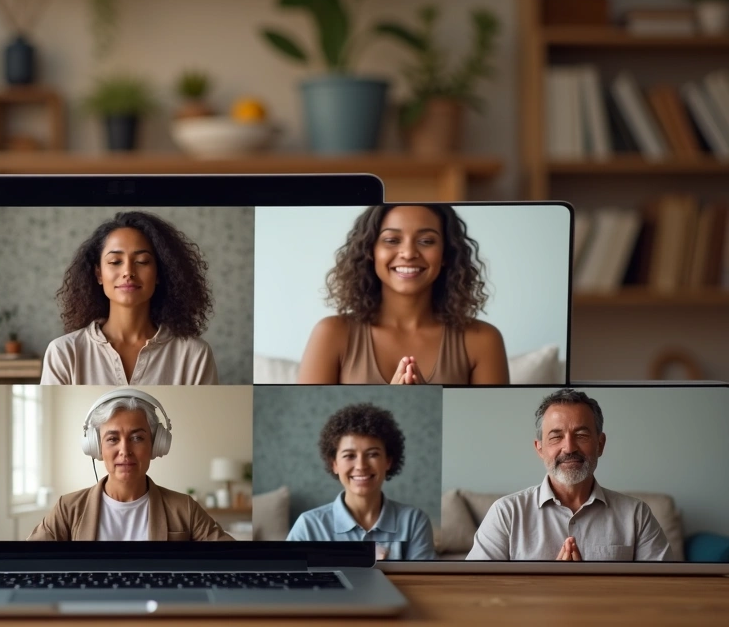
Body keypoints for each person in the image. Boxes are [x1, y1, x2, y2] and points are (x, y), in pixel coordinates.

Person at [297, 204, 509, 385]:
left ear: (446, 254)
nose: (408, 253)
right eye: (392, 240)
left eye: (426, 241)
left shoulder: (483, 340)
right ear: (370, 251)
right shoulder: (332, 334)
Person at [467, 388, 673, 561]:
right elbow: (475, 587)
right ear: (540, 448)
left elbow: (664, 589)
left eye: (581, 435)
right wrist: (550, 584)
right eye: (556, 437)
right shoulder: (506, 514)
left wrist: (588, 584)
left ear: (600, 444)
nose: (569, 447)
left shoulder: (636, 515)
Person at [41, 210, 219, 386]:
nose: (128, 272)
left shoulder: (194, 354)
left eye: (142, 261)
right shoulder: (64, 352)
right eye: (115, 262)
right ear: (99, 274)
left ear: (159, 273)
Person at [28, 389, 233, 541]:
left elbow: (234, 559)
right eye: (112, 439)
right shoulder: (68, 508)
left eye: (137, 438)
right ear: (97, 448)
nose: (125, 450)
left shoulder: (184, 508)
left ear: (156, 445)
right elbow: (27, 561)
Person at [286, 403, 436, 561]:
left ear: (388, 461)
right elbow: (286, 573)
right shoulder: (309, 525)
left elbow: (423, 577)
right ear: (334, 464)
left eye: (373, 454)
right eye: (349, 456)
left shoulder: (414, 521)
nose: (361, 466)